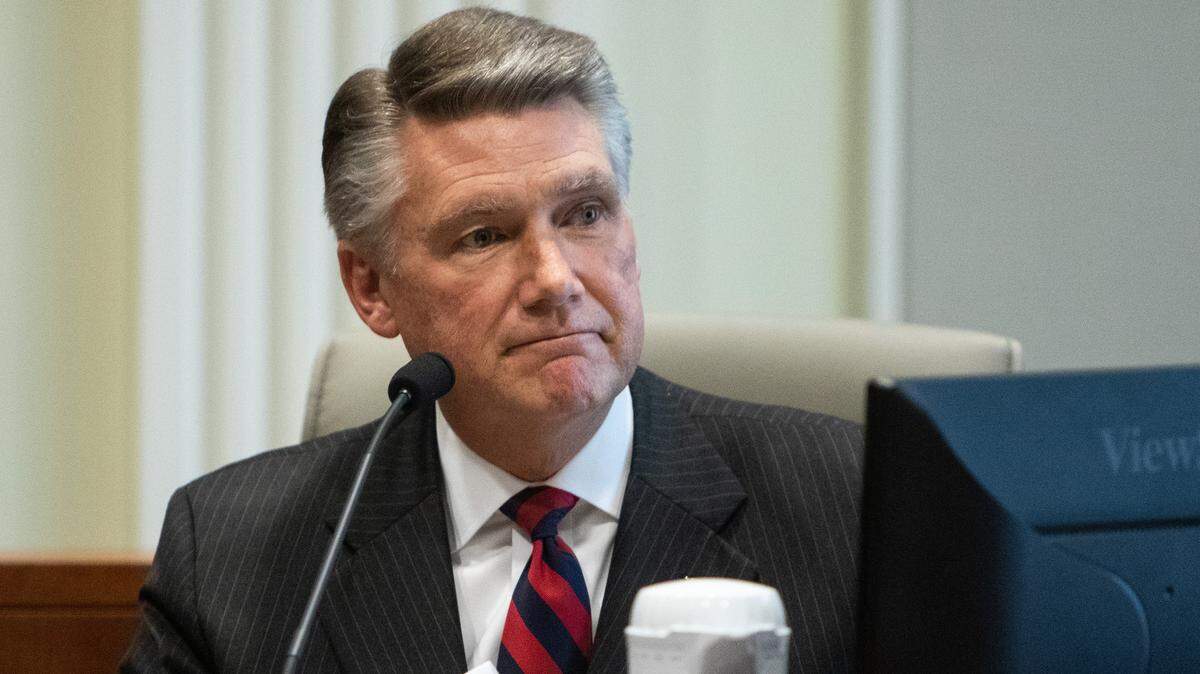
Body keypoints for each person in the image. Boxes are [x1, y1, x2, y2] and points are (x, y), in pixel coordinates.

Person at [122, 8, 862, 673]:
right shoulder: (230, 552)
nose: (554, 278)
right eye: (483, 235)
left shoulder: (852, 507)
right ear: (372, 287)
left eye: (585, 214)